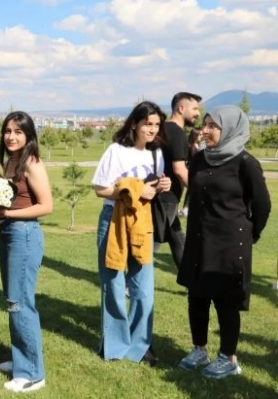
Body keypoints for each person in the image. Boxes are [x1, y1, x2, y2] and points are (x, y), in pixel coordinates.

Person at [177, 106, 271, 378]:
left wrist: (250, 234)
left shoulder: (245, 163)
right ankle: (199, 349)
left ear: (229, 129)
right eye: (204, 124)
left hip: (229, 243)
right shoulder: (200, 160)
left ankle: (228, 358)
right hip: (198, 239)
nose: (204, 131)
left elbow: (263, 206)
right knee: (197, 296)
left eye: (212, 126)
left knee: (225, 300)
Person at [91, 101, 171, 366]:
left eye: (156, 124)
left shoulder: (156, 154)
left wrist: (162, 185)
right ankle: (113, 345)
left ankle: (141, 345)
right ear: (135, 123)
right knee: (112, 283)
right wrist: (135, 191)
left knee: (143, 287)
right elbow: (101, 188)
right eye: (148, 123)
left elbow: (150, 189)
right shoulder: (116, 151)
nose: (152, 129)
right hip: (113, 219)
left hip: (142, 221)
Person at [0, 111, 53, 393]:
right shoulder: (11, 161)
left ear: (29, 136)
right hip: (8, 234)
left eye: (18, 132)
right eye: (7, 131)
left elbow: (47, 206)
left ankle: (32, 374)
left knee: (20, 303)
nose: (11, 136)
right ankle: (20, 358)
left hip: (24, 236)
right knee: (12, 300)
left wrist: (7, 213)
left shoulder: (32, 163)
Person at [156, 92, 202, 268]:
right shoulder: (176, 133)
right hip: (166, 197)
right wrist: (202, 192)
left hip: (165, 196)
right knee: (154, 241)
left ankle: (191, 283)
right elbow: (180, 170)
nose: (197, 113)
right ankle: (132, 285)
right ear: (181, 108)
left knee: (177, 238)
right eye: (195, 108)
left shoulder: (164, 128)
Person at [180, 127, 203, 217]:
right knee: (189, 189)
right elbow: (186, 159)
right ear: (195, 135)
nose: (201, 136)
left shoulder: (198, 145)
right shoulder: (190, 146)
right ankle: (185, 208)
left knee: (191, 191)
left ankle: (188, 208)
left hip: (196, 170)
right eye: (200, 134)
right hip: (190, 170)